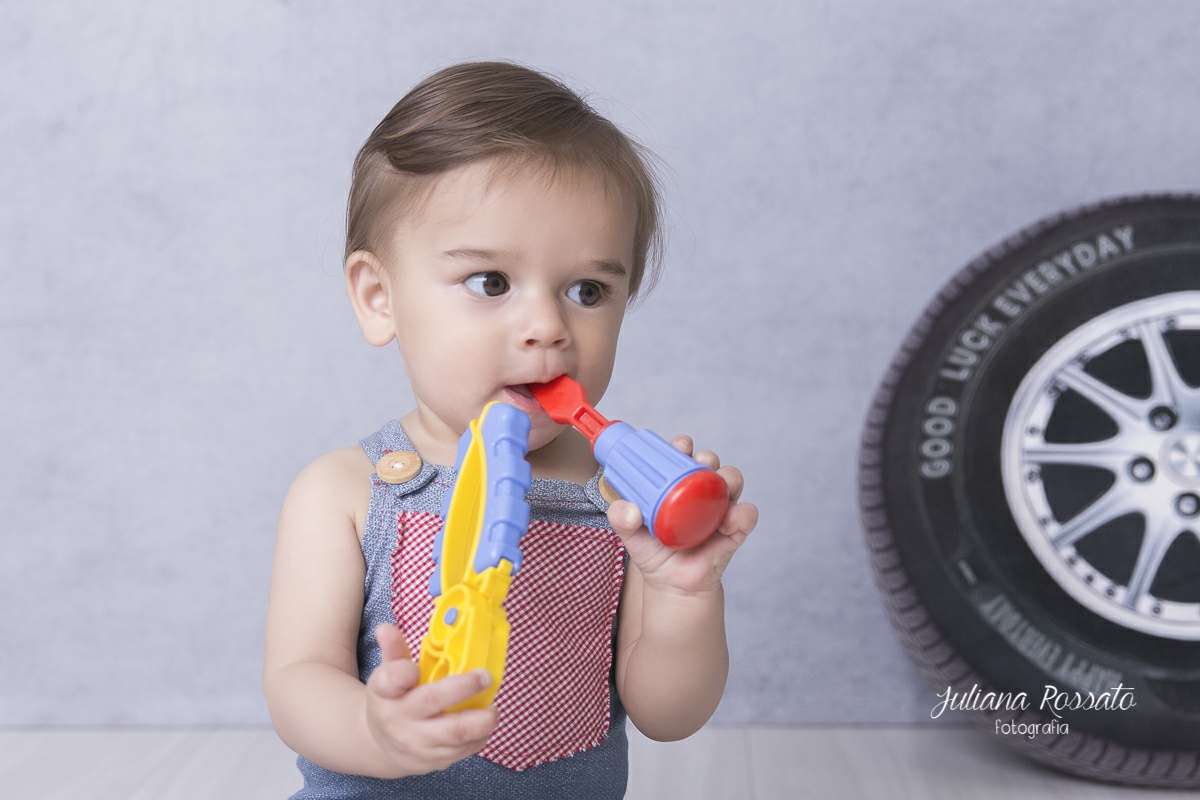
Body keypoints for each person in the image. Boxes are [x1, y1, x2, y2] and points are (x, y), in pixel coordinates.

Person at [263, 60, 758, 799]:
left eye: (587, 290)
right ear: (379, 298)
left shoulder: (622, 501)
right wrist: (375, 729)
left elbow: (669, 715)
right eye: (491, 283)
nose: (547, 329)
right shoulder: (345, 491)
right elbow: (297, 681)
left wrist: (683, 594)